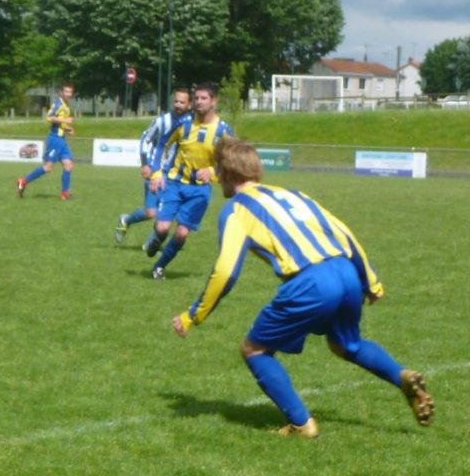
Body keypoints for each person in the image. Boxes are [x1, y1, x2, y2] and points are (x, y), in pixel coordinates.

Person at [171, 138, 435, 438]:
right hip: (346, 271)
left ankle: (301, 423)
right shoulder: (294, 194)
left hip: (312, 282)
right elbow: (344, 232)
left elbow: (226, 271)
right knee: (347, 344)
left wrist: (195, 315)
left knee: (254, 349)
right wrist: (370, 280)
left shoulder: (236, 210)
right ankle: (402, 376)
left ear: (227, 173)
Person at [143, 81, 233, 280]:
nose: (199, 102)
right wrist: (156, 173)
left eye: (204, 98)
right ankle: (156, 239)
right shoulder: (183, 124)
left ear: (214, 102)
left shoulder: (223, 132)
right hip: (174, 183)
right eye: (197, 99)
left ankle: (159, 266)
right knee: (163, 227)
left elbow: (231, 162)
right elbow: (161, 145)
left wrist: (212, 171)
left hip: (200, 191)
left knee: (182, 233)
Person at [115, 88, 190, 244]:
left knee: (166, 214)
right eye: (176, 101)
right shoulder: (162, 120)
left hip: (175, 175)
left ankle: (151, 244)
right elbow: (145, 138)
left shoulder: (191, 123)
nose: (178, 105)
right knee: (151, 212)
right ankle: (126, 220)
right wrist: (145, 164)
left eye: (182, 102)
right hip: (156, 170)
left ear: (189, 104)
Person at [16, 83, 76, 200]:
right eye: (66, 92)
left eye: (70, 92)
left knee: (68, 165)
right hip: (55, 140)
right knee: (48, 167)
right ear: (61, 93)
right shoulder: (58, 104)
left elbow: (58, 123)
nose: (68, 94)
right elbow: (49, 117)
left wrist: (67, 128)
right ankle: (24, 181)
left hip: (62, 139)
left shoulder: (66, 106)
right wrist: (65, 119)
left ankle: (65, 194)